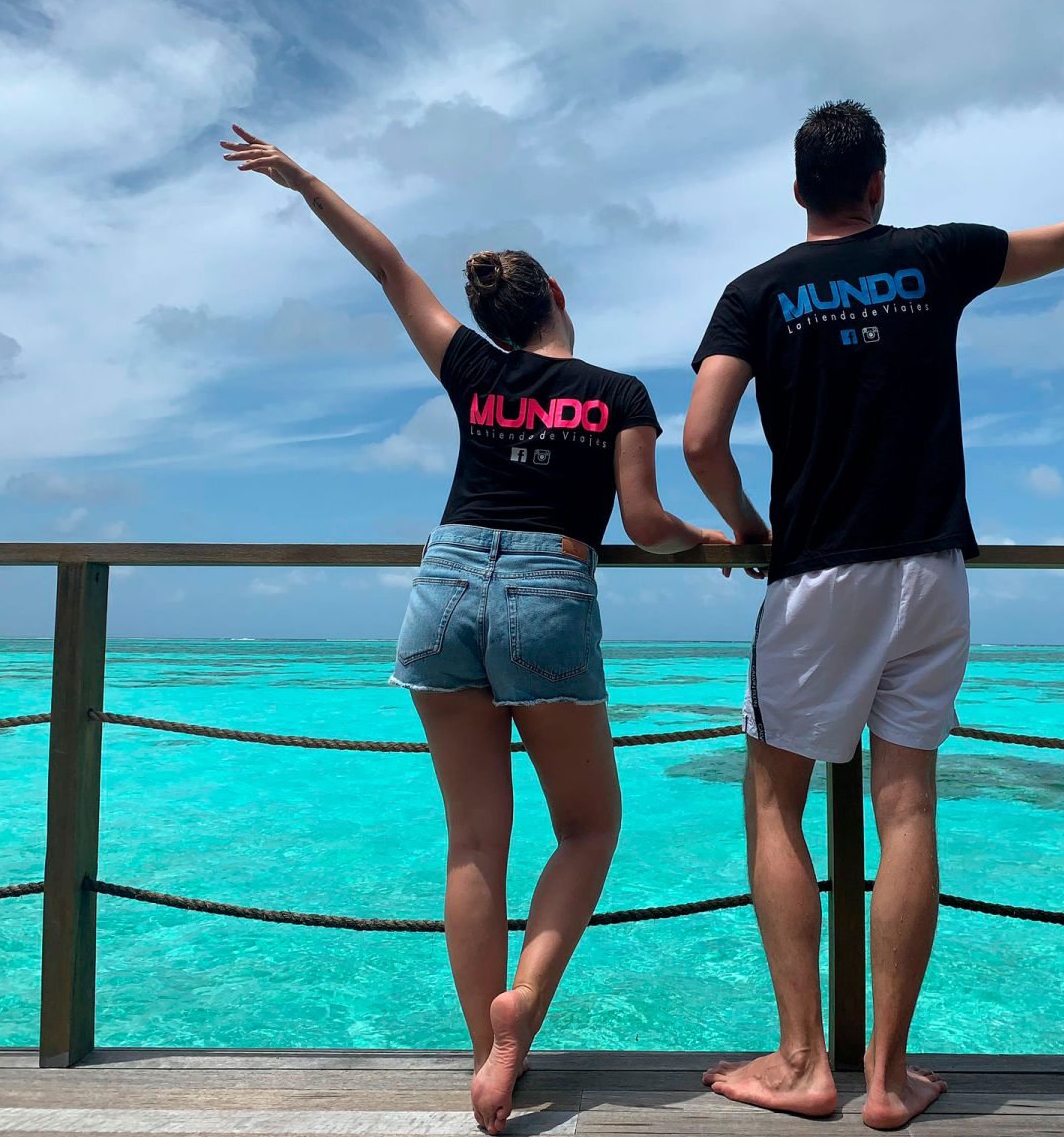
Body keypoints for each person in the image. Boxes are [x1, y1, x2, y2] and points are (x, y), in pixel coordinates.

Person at [683, 100, 1064, 1129]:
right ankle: (887, 1077)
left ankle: (804, 1062)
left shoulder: (755, 292)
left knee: (774, 802)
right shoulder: (935, 256)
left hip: (818, 573)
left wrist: (745, 528)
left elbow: (700, 440)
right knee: (907, 807)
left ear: (797, 189)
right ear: (878, 182)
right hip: (932, 569)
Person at [223, 125, 725, 1135]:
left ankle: (491, 1064)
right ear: (559, 298)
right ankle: (522, 1008)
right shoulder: (618, 394)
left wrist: (304, 180)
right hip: (549, 591)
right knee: (589, 827)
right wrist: (719, 542)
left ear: (493, 319)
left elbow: (387, 267)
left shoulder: (470, 368)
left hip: (446, 580)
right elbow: (644, 525)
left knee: (474, 843)